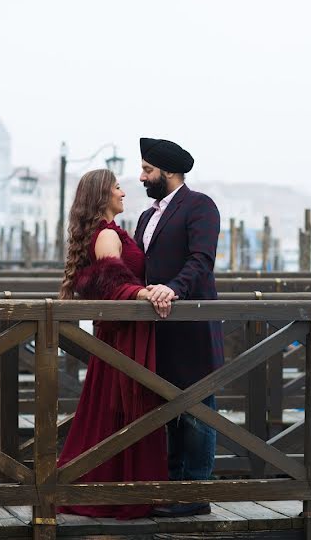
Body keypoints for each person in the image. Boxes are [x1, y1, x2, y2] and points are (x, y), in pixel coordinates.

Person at [56, 168, 170, 519]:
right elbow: (112, 285)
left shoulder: (112, 232)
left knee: (116, 409)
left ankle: (122, 487)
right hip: (121, 338)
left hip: (119, 335)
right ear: (102, 195)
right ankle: (116, 491)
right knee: (120, 409)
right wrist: (143, 292)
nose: (124, 192)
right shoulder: (106, 236)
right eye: (118, 187)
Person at [134, 137, 224, 518]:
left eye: (147, 170)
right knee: (167, 409)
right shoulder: (145, 216)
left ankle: (196, 493)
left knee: (197, 409)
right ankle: (172, 486)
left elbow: (201, 260)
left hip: (191, 325)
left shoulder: (200, 206)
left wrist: (173, 288)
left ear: (168, 171)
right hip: (158, 328)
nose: (141, 177)